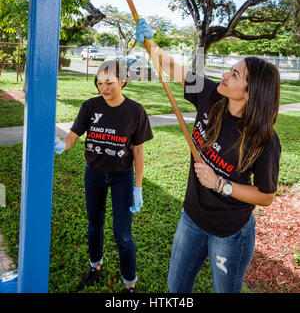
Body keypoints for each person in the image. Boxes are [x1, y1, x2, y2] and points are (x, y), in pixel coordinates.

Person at [136, 18, 281, 294]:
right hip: (191, 217)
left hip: (230, 232)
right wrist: (150, 44)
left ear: (251, 94)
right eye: (230, 70)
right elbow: (173, 70)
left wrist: (220, 184)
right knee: (176, 288)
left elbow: (266, 196)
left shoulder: (264, 140)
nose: (225, 76)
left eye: (235, 75)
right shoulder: (212, 95)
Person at [54, 59, 153, 293]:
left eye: (109, 82)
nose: (103, 88)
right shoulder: (90, 106)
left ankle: (130, 284)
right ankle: (94, 268)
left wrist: (137, 187)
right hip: (94, 174)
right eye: (99, 83)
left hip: (122, 177)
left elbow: (138, 151)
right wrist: (61, 145)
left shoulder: (135, 111)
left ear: (123, 81)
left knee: (123, 234)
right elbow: (73, 137)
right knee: (94, 225)